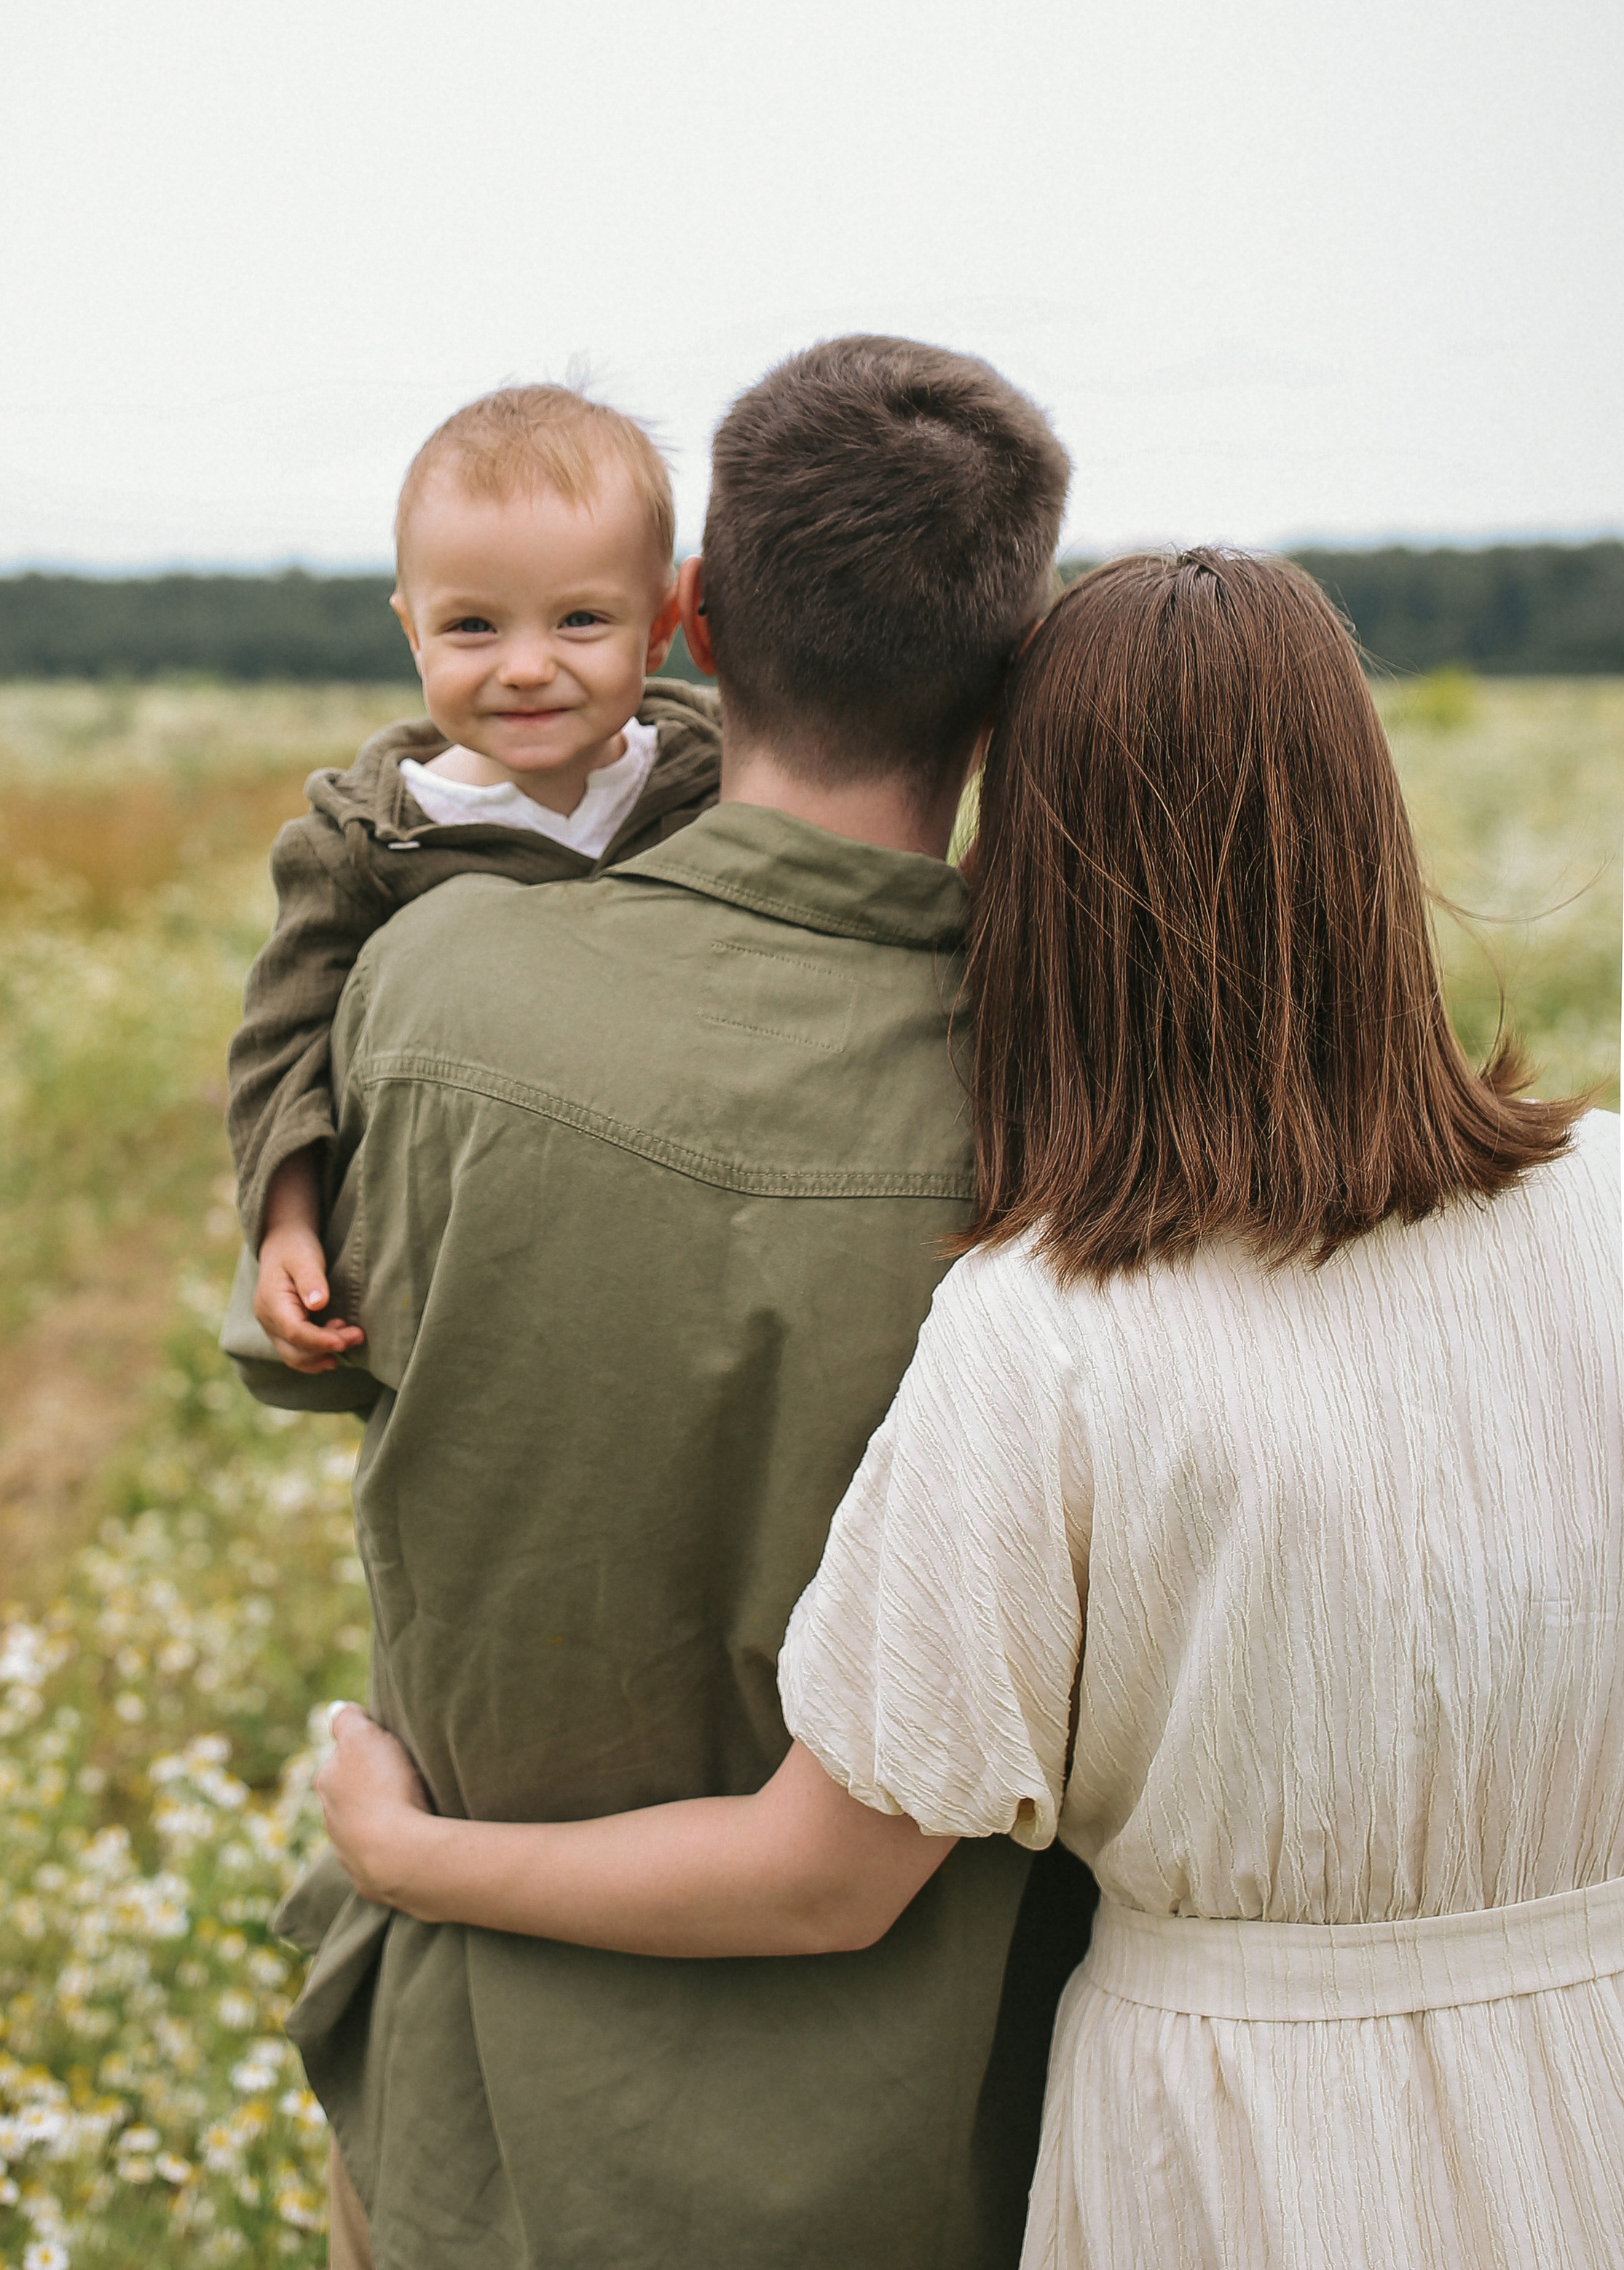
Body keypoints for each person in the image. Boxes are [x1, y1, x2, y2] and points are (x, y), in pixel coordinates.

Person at [315, 549, 1623, 2269]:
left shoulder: (1048, 1330)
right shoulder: (1606, 1201)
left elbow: (822, 1876)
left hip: (1226, 2149)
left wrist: (412, 1863)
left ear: (1037, 864)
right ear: (1370, 822)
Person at [228, 336, 1089, 2269]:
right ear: (1011, 659)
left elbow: (319, 1347)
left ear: (692, 614)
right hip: (929, 2156)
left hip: (490, 2129)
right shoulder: (1081, 1117)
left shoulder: (434, 991)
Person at [226, 382, 722, 1376]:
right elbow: (283, 1040)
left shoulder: (715, 783)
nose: (527, 666)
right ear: (412, 631)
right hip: (473, 1273)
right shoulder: (370, 840)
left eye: (580, 619)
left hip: (679, 1255)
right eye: (473, 628)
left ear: (660, 624)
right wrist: (286, 1225)